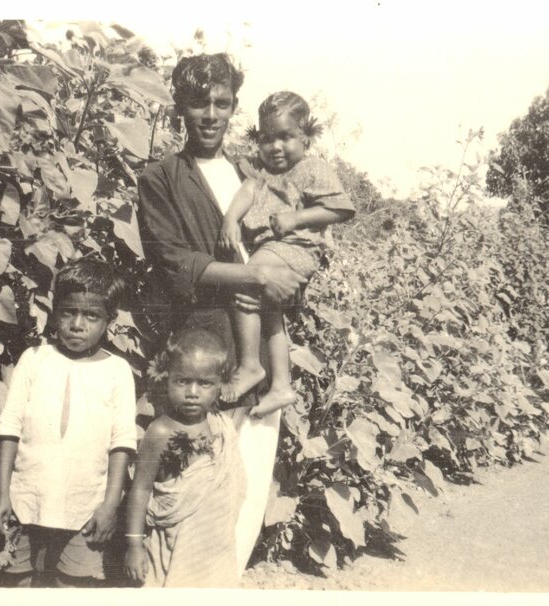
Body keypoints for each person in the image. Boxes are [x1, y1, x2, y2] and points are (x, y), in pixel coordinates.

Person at [136, 53, 305, 576]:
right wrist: (254, 276)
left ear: (234, 108)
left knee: (245, 486)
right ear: (180, 108)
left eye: (222, 103)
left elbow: (292, 241)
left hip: (258, 333)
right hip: (203, 348)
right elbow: (173, 261)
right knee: (193, 490)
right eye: (199, 102)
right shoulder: (161, 178)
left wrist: (280, 274)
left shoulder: (254, 172)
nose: (211, 114)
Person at [0, 257, 137, 587]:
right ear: (55, 311)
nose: (77, 324)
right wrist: (2, 495)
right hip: (26, 498)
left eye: (91, 316)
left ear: (109, 320)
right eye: (68, 312)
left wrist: (110, 505)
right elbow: (10, 427)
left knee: (74, 583)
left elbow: (122, 442)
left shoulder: (117, 371)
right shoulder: (34, 359)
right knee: (16, 579)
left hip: (86, 504)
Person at [219, 91, 356, 417]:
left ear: (306, 138)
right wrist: (230, 218)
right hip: (274, 249)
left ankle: (251, 365)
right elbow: (247, 191)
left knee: (246, 281)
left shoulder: (312, 169)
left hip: (296, 248)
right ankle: (282, 385)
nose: (275, 147)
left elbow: (340, 208)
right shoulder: (264, 175)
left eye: (285, 137)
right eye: (266, 138)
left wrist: (297, 217)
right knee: (269, 315)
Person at [123, 327, 246, 587]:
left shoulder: (221, 426)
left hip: (213, 547)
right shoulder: (161, 431)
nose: (192, 392)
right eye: (182, 381)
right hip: (171, 546)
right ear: (167, 379)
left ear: (219, 385)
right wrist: (134, 544)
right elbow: (140, 489)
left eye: (205, 383)